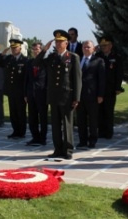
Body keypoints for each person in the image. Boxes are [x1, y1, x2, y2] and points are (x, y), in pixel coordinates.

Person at [34, 29, 81, 160]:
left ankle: (68, 150)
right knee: (55, 125)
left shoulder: (73, 57)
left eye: (61, 42)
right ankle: (58, 149)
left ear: (67, 43)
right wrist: (44, 50)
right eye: (56, 42)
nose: (58, 44)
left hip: (67, 96)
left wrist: (76, 98)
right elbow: (36, 63)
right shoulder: (51, 57)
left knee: (67, 125)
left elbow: (77, 79)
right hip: (53, 96)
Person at [0, 39, 28, 139]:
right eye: (12, 48)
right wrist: (2, 53)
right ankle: (15, 131)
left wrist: (25, 92)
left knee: (20, 113)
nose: (14, 49)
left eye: (16, 47)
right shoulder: (9, 59)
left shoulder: (25, 60)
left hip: (21, 92)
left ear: (20, 48)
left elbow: (26, 78)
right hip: (11, 91)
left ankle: (21, 132)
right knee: (13, 112)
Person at [76, 40, 105, 149]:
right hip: (79, 96)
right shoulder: (78, 60)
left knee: (93, 120)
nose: (86, 49)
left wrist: (100, 95)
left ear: (93, 49)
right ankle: (82, 140)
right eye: (84, 47)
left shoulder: (98, 61)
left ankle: (92, 140)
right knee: (81, 119)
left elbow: (101, 80)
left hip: (92, 95)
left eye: (88, 47)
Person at [95, 36, 124, 139]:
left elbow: (119, 74)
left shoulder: (116, 57)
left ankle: (108, 132)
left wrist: (117, 87)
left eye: (105, 45)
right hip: (99, 89)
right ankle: (101, 132)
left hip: (110, 89)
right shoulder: (97, 56)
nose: (103, 47)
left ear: (110, 46)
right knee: (99, 111)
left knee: (109, 111)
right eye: (102, 45)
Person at [25, 42, 48, 146]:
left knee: (43, 117)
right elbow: (26, 80)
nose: (35, 51)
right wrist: (25, 94)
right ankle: (35, 137)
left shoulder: (46, 62)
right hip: (31, 94)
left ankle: (43, 138)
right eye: (33, 50)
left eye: (37, 49)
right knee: (32, 117)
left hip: (42, 94)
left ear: (41, 50)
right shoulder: (29, 62)